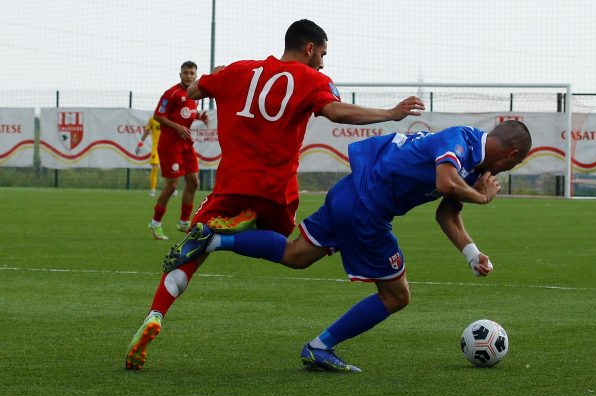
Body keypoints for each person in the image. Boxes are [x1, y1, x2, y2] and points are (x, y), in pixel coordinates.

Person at [125, 19, 425, 370]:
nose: (324, 63)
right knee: (290, 252)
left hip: (231, 184)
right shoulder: (314, 80)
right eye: (323, 54)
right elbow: (335, 111)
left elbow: (193, 93)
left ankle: (156, 313)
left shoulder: (237, 70)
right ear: (309, 48)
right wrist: (390, 113)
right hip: (277, 192)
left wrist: (215, 75)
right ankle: (225, 236)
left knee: (193, 251)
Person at [160, 120, 532, 372]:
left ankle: (214, 239)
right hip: (368, 211)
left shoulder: (471, 164)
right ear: (511, 156)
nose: (500, 176)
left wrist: (472, 254)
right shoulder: (462, 140)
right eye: (510, 169)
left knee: (296, 255)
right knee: (396, 297)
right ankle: (320, 347)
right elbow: (446, 181)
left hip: (348, 194)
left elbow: (447, 214)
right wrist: (484, 198)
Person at [147, 61, 208, 240]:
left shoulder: (194, 94)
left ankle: (183, 222)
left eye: (192, 73)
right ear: (180, 74)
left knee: (194, 182)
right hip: (170, 145)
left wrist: (199, 116)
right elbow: (158, 115)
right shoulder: (171, 93)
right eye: (186, 73)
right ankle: (155, 223)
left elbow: (185, 112)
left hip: (186, 144)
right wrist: (178, 127)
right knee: (172, 185)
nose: (189, 76)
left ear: (196, 75)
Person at [136, 115, 166, 197]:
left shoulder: (169, 118)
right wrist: (140, 144)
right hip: (156, 147)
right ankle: (153, 190)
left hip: (167, 147)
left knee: (169, 168)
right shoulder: (152, 119)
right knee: (155, 168)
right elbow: (146, 131)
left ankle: (171, 188)